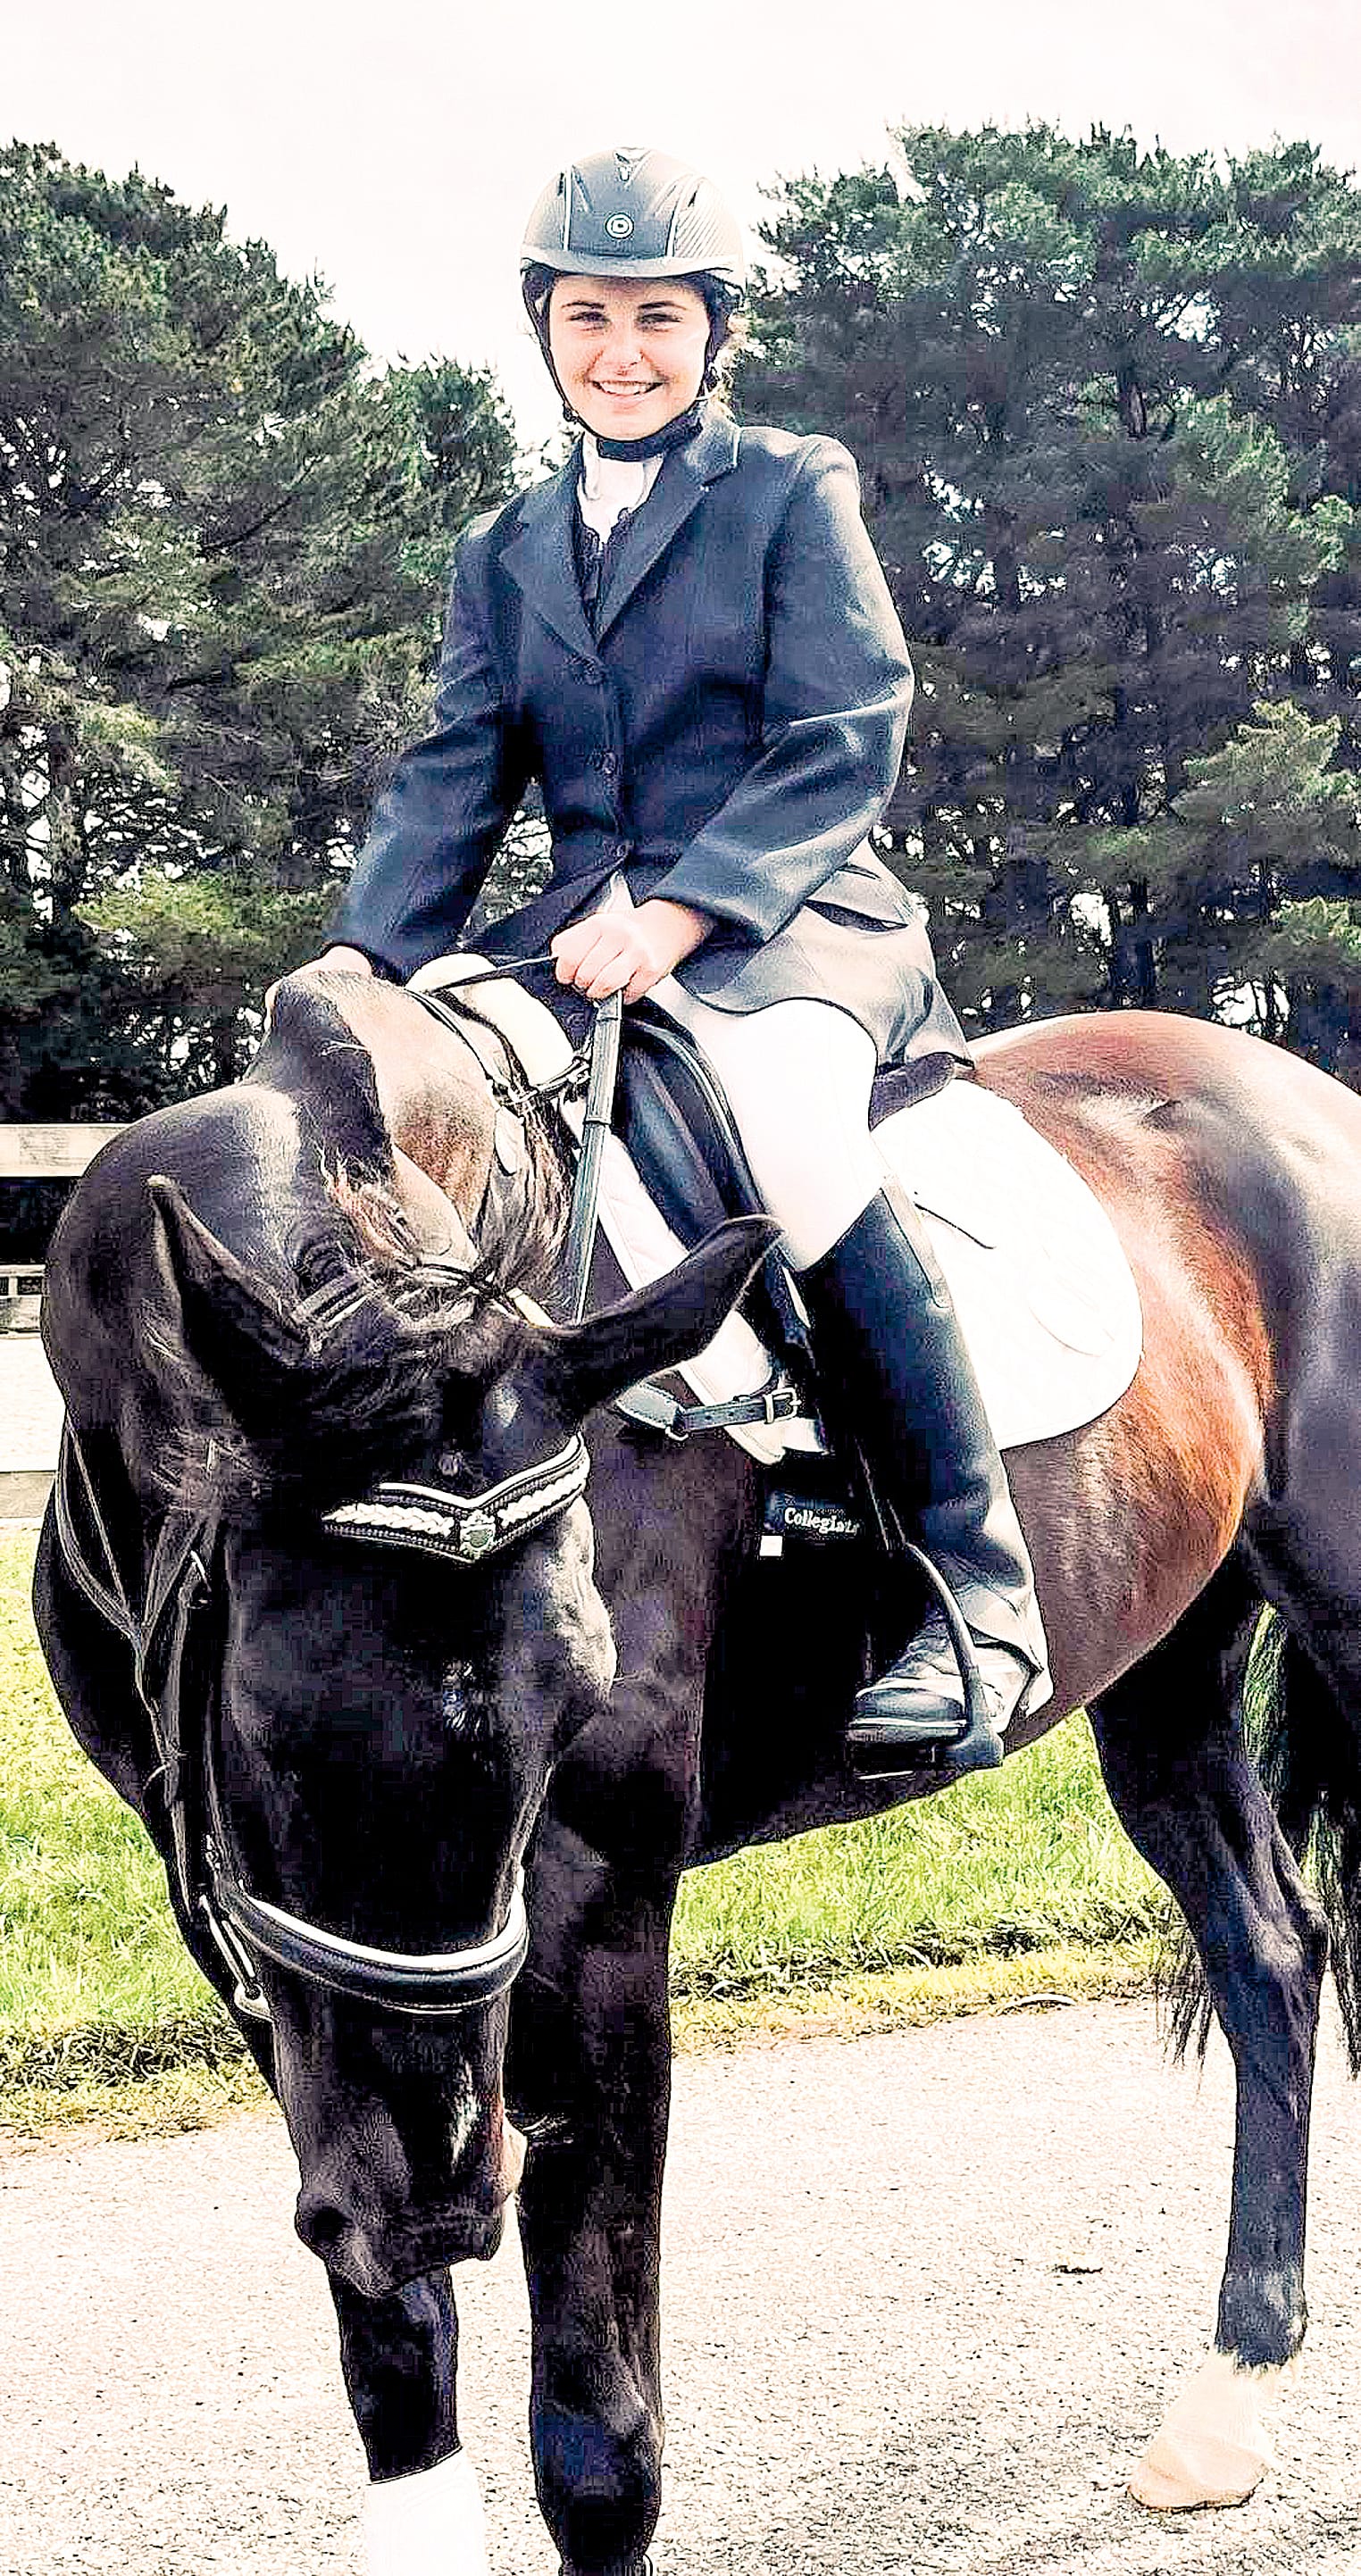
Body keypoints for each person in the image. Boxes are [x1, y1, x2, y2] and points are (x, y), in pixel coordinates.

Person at [310, 145, 1050, 1776]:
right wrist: (364, 967)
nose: (623, 352)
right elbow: (453, 775)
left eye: (659, 318)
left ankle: (974, 1589)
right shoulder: (503, 548)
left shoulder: (790, 486)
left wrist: (686, 912)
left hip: (796, 919)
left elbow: (846, 730)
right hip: (583, 935)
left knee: (785, 1128)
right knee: (424, 1087)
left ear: (715, 331)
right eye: (590, 319)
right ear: (545, 330)